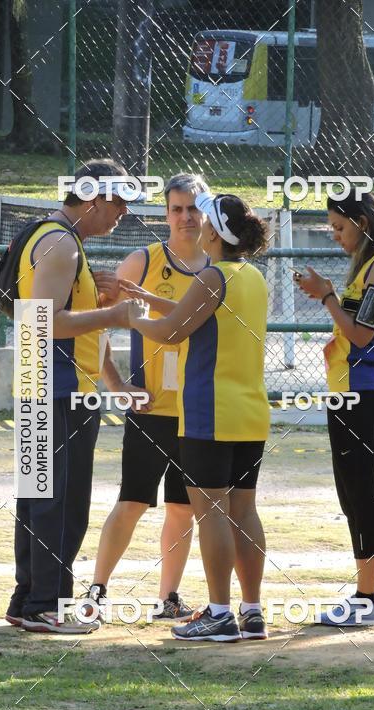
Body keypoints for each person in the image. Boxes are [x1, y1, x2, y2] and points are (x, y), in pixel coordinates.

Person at [124, 192, 270, 642]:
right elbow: (194, 315)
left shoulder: (210, 274)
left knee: (210, 514)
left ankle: (220, 614)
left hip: (209, 413)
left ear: (214, 232)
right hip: (250, 412)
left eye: (204, 219)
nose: (196, 225)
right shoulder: (251, 276)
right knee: (243, 510)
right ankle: (250, 610)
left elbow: (171, 331)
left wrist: (129, 316)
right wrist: (147, 298)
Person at [6, 158, 136, 634]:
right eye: (117, 201)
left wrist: (99, 312)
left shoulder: (59, 239)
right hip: (57, 390)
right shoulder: (60, 243)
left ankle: (29, 600)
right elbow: (44, 323)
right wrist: (114, 316)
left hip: (48, 385)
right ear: (90, 196)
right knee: (60, 501)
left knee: (41, 496)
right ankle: (48, 604)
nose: (122, 211)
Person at [84, 174, 210, 620]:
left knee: (183, 508)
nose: (185, 217)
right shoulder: (143, 261)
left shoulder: (218, 266)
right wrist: (117, 384)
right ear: (165, 214)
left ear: (206, 211)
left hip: (199, 413)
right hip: (151, 408)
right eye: (176, 209)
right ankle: (96, 591)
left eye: (193, 208)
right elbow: (95, 319)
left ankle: (169, 598)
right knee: (133, 501)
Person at [296, 188, 374, 626]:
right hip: (347, 391)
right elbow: (356, 332)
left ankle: (367, 598)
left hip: (366, 393)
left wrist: (326, 296)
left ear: (362, 223)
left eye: (340, 227)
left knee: (360, 491)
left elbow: (364, 335)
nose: (336, 236)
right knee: (350, 492)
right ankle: (363, 593)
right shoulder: (366, 267)